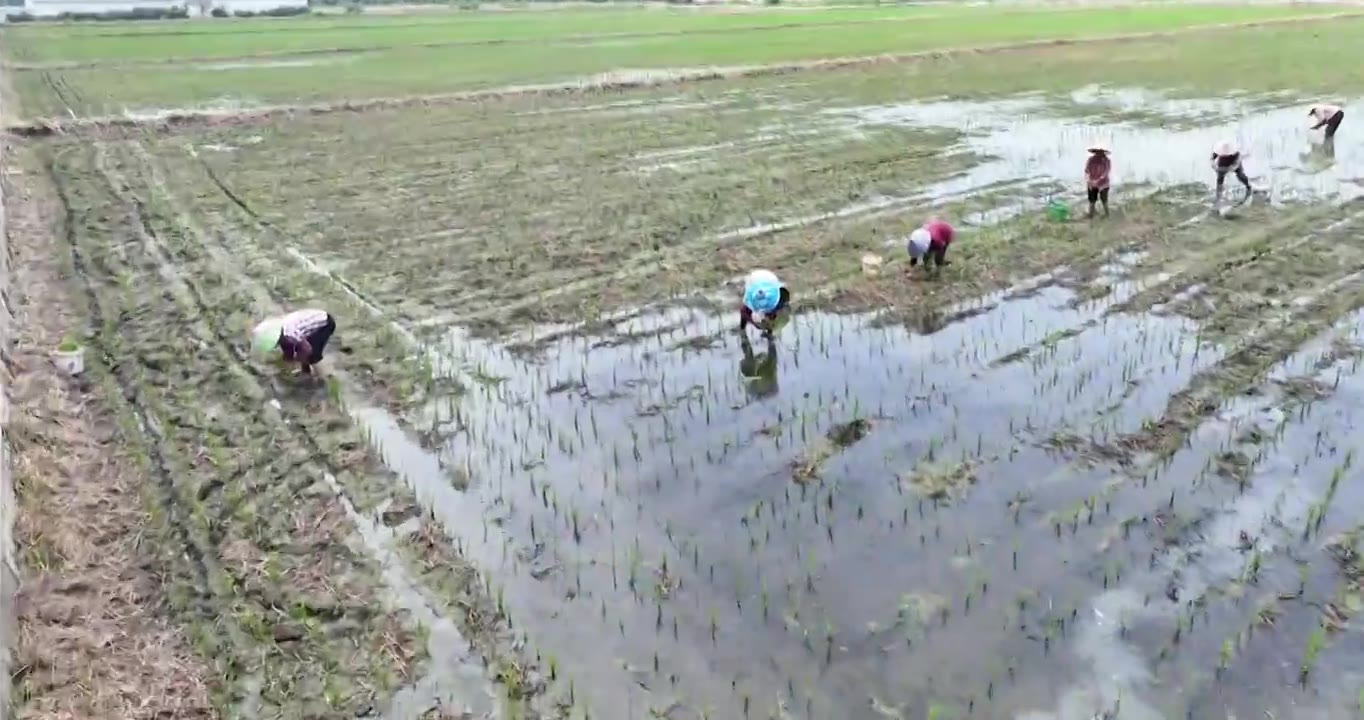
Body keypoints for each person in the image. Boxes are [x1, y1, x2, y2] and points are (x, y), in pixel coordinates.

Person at [252, 308, 337, 377]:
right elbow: (288, 348)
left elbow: (307, 349)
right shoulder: (280, 329)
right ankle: (306, 369)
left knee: (312, 355)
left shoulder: (291, 334)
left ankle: (321, 375)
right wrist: (288, 361)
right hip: (309, 322)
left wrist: (298, 360)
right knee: (291, 347)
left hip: (325, 324)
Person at [739, 269, 790, 337]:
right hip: (756, 278)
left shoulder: (776, 300)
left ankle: (769, 332)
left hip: (768, 279)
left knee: (771, 318)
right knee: (744, 311)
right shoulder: (751, 295)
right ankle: (742, 329)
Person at [1210, 140, 1252, 208]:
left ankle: (1248, 186)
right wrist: (1213, 165)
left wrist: (1231, 168)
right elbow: (1212, 159)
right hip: (1222, 164)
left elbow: (1236, 164)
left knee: (1240, 175)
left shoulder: (1237, 154)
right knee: (1220, 180)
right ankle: (1218, 196)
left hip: (1234, 164)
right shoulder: (1218, 151)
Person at [1084, 141, 1111, 219]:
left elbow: (1106, 172)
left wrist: (1098, 180)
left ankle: (1107, 215)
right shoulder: (1091, 159)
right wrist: (1089, 180)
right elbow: (1086, 171)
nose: (1099, 153)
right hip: (1092, 183)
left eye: (1101, 152)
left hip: (1103, 184)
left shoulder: (1106, 161)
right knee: (1092, 201)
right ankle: (1091, 215)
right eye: (1098, 152)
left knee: (1104, 201)